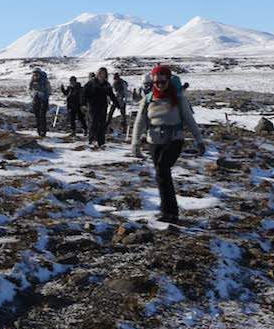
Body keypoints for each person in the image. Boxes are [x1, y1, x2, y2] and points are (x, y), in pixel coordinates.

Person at [131, 64, 205, 224]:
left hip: (174, 140)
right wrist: (135, 143)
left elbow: (189, 120)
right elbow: (140, 122)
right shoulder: (148, 99)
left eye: (162, 82)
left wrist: (199, 140)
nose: (159, 85)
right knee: (161, 175)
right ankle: (171, 211)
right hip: (154, 141)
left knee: (162, 170)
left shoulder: (178, 98)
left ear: (168, 81)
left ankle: (168, 212)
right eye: (156, 82)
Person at [81, 67, 118, 149]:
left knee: (101, 124)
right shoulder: (91, 83)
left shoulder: (106, 84)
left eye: (103, 74)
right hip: (93, 106)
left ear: (106, 75)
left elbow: (111, 94)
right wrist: (83, 103)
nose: (102, 75)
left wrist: (116, 103)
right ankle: (92, 139)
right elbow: (84, 93)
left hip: (103, 106)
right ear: (97, 74)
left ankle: (101, 141)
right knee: (93, 123)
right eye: (100, 73)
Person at [28, 68, 51, 137]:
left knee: (42, 116)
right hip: (36, 100)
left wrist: (43, 95)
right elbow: (29, 89)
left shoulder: (45, 81)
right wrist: (33, 94)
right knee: (37, 116)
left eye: (36, 74)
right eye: (34, 74)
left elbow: (49, 90)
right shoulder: (32, 81)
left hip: (43, 100)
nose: (35, 76)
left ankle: (43, 131)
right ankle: (39, 131)